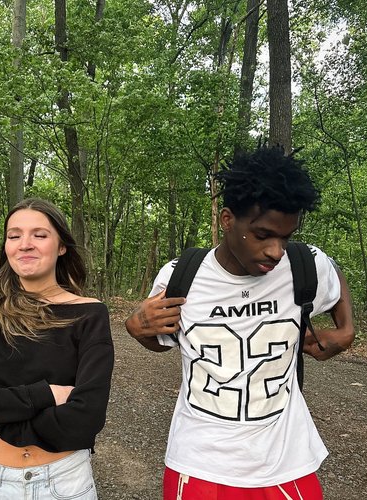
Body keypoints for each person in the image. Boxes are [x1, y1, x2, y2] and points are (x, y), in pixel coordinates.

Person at [125, 147, 355, 500]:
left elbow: (332, 271)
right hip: (199, 462)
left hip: (287, 461)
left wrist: (346, 329)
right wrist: (138, 329)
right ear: (227, 219)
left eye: (286, 237)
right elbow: (162, 341)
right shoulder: (180, 278)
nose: (276, 251)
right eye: (263, 235)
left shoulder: (303, 265)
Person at [0, 198, 114, 500]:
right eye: (14, 235)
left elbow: (85, 420)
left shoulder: (90, 314)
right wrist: (49, 394)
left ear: (61, 246)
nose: (25, 244)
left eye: (39, 235)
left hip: (66, 482)